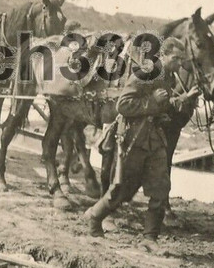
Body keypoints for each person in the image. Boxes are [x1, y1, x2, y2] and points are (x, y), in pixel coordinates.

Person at [84, 55, 199, 241]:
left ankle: (150, 238)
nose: (181, 64)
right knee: (122, 190)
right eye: (177, 58)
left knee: (161, 187)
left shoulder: (168, 77)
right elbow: (123, 105)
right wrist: (152, 101)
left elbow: (164, 107)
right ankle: (95, 217)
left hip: (155, 138)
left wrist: (185, 98)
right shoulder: (145, 73)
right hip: (135, 139)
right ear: (166, 55)